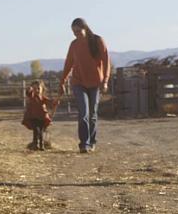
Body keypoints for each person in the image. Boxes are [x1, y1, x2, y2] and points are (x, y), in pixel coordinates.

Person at [59, 17, 111, 153]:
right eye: (73, 32)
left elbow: (106, 62)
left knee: (92, 113)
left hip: (95, 83)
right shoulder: (74, 45)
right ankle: (84, 144)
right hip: (78, 82)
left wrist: (105, 81)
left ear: (85, 28)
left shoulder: (98, 41)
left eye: (78, 31)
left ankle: (92, 141)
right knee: (83, 113)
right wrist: (62, 81)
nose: (76, 34)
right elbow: (68, 64)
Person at [22, 80, 58, 151]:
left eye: (38, 88)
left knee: (41, 131)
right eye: (35, 89)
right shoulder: (32, 96)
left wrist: (55, 102)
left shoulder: (43, 98)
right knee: (36, 130)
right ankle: (36, 144)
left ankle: (41, 145)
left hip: (41, 117)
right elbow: (28, 93)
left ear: (42, 89)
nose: (37, 90)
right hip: (33, 117)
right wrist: (29, 90)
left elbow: (49, 102)